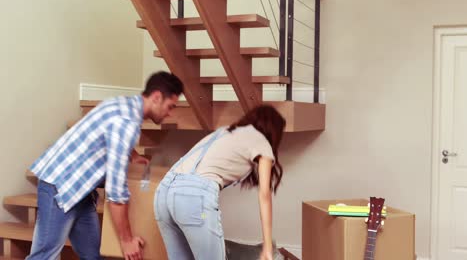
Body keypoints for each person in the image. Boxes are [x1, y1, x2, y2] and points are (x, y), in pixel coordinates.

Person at [26, 71, 184, 260]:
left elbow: (104, 132)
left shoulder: (122, 105)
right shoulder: (126, 122)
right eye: (170, 106)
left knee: (93, 256)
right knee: (43, 257)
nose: (170, 113)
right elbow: (116, 192)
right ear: (157, 97)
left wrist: (132, 155)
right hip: (61, 186)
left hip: (81, 191)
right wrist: (126, 241)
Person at [154, 105, 286, 260]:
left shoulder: (225, 132)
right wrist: (268, 247)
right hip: (193, 200)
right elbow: (264, 195)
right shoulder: (262, 141)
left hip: (163, 194)